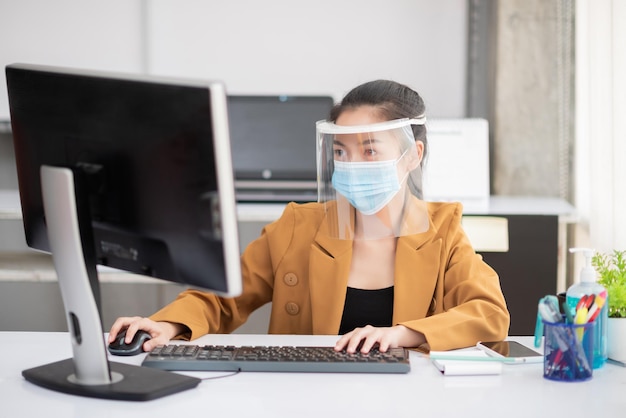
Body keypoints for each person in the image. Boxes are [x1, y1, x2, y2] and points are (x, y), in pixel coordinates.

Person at [109, 79, 510, 354]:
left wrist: (402, 334)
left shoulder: (443, 230)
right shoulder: (298, 226)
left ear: (413, 156)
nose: (351, 164)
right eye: (341, 151)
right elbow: (222, 296)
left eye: (370, 150)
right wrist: (169, 325)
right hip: (300, 398)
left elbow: (489, 314)